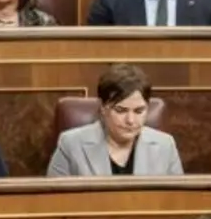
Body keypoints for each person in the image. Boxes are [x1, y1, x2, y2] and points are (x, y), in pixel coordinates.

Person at [47, 64, 182, 176]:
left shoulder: (166, 146)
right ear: (103, 108)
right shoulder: (71, 145)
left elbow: (178, 199)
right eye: (121, 110)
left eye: (139, 111)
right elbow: (54, 198)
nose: (130, 120)